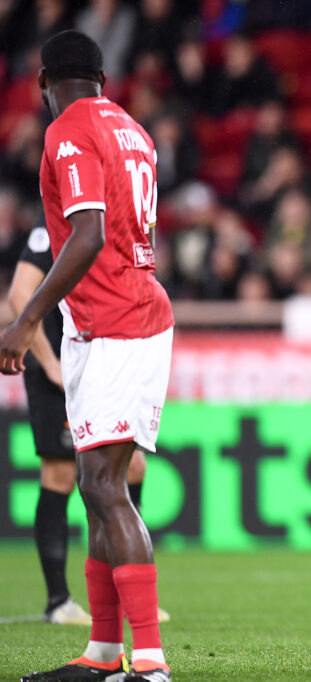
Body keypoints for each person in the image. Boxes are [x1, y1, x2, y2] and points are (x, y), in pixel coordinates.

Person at [2, 30, 175, 681]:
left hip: (117, 324)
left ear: (44, 83)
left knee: (104, 486)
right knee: (98, 486)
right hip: (122, 317)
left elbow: (90, 234)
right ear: (103, 77)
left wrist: (24, 320)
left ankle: (149, 662)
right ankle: (105, 656)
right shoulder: (132, 128)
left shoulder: (67, 129)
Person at [10, 216, 169, 628]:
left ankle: (125, 595)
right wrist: (50, 364)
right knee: (61, 473)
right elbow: (18, 295)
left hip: (99, 358)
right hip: (58, 364)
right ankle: (58, 601)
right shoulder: (55, 229)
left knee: (131, 466)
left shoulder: (110, 223)